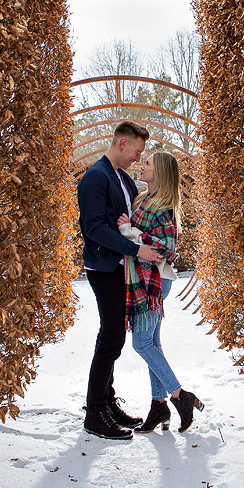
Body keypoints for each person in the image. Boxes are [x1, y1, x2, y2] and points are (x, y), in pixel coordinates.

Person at [77, 121, 164, 440]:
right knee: (111, 336)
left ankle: (107, 402)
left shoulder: (124, 180)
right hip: (104, 268)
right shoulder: (95, 177)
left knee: (114, 335)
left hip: (121, 268)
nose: (138, 159)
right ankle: (95, 412)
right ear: (123, 143)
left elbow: (131, 221)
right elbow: (95, 229)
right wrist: (135, 248)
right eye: (137, 152)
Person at [117, 151, 204, 433]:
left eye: (148, 164)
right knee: (152, 343)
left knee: (141, 344)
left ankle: (180, 396)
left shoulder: (165, 206)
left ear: (162, 172)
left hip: (153, 282)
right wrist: (127, 228)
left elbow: (166, 249)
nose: (142, 166)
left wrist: (131, 231)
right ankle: (158, 406)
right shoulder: (144, 199)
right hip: (141, 278)